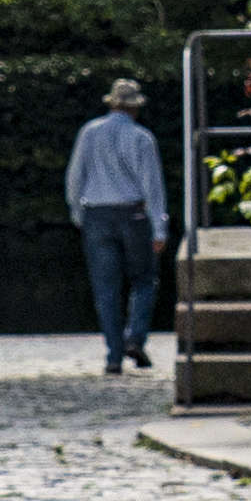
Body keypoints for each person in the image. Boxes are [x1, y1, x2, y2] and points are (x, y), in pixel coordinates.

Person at [69, 76, 171, 376]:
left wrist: (78, 215)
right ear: (135, 108)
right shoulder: (142, 138)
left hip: (96, 214)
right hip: (133, 214)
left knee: (105, 288)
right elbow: (152, 186)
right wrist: (159, 227)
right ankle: (135, 337)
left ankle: (113, 355)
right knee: (144, 279)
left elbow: (75, 177)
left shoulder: (89, 132)